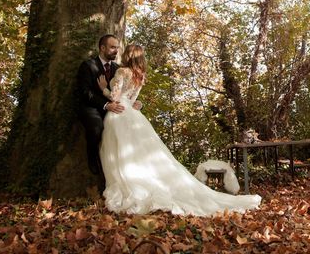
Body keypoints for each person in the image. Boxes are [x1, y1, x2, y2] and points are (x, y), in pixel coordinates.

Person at [99, 44, 261, 216]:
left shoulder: (122, 72)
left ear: (128, 55)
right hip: (132, 113)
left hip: (119, 113)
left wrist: (103, 88)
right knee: (140, 152)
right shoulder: (140, 76)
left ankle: (132, 182)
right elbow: (133, 100)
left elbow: (115, 97)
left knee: (120, 151)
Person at [77, 34, 141, 175]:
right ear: (102, 48)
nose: (116, 50)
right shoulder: (88, 65)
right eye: (112, 47)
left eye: (117, 47)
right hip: (92, 107)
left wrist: (137, 103)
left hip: (115, 107)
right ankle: (94, 161)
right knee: (96, 127)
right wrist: (106, 105)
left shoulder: (119, 68)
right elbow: (85, 92)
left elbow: (127, 91)